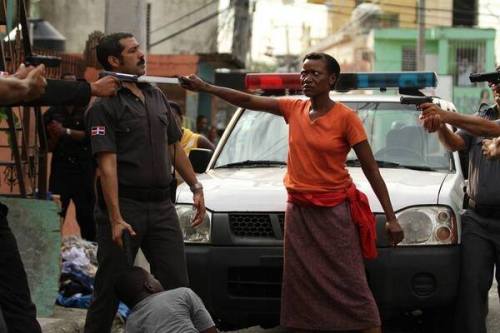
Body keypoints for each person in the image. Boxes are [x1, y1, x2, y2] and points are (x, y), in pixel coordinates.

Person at [179, 52, 404, 333]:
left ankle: (368, 326)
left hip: (334, 213)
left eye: (315, 73)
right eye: (304, 72)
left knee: (349, 281)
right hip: (298, 212)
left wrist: (393, 218)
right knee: (301, 283)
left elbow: (372, 171)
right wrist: (206, 88)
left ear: (331, 79)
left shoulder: (347, 119)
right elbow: (248, 100)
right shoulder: (293, 109)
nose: (307, 78)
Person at [84, 32, 205, 333]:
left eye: (140, 49)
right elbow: (107, 166)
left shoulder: (155, 95)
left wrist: (196, 187)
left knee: (179, 285)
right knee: (110, 286)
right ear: (114, 60)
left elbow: (174, 147)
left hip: (162, 206)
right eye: (133, 50)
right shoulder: (103, 105)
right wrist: (114, 218)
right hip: (125, 208)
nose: (142, 55)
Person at [0, 64, 119, 333]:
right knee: (16, 302)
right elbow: (18, 91)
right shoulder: (54, 110)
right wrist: (25, 85)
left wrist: (21, 83)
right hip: (64, 173)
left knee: (17, 302)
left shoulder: (92, 113)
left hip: (81, 175)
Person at [420, 71, 500, 333]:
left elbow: (494, 130)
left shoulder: (484, 123)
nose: (495, 86)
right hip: (478, 219)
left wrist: (447, 115)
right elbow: (454, 143)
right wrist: (439, 124)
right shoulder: (480, 117)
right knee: (471, 291)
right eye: (493, 82)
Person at [44, 73, 96, 241]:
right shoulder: (52, 113)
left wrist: (65, 131)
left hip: (83, 170)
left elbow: (90, 137)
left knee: (87, 217)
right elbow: (46, 146)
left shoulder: (88, 111)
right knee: (56, 214)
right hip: (61, 170)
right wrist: (55, 135)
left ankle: (93, 255)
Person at [115, 267, 216, 333]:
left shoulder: (131, 323)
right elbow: (209, 330)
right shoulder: (182, 293)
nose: (157, 280)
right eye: (154, 278)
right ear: (149, 286)